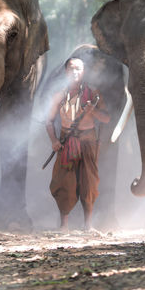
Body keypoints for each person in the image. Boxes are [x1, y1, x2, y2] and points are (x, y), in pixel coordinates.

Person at [45, 57, 110, 232]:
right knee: (64, 182)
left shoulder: (93, 93)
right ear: (66, 71)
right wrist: (54, 141)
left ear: (84, 72)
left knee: (89, 183)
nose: (75, 72)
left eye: (79, 69)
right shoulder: (59, 94)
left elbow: (106, 118)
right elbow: (49, 121)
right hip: (67, 143)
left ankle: (88, 225)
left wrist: (92, 111)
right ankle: (64, 226)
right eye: (71, 68)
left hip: (88, 141)